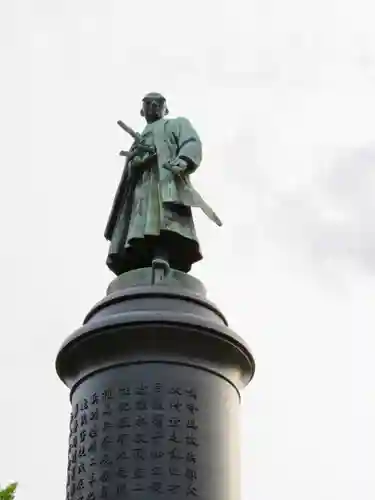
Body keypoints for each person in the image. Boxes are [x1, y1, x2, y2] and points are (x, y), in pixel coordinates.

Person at [104, 92, 221, 277]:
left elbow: (191, 141)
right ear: (141, 111)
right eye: (147, 103)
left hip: (164, 179)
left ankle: (162, 254)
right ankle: (136, 261)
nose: (152, 106)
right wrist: (134, 163)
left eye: (157, 103)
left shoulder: (176, 124)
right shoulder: (139, 138)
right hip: (140, 184)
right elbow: (132, 165)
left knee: (163, 218)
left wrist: (183, 159)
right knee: (137, 222)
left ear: (165, 108)